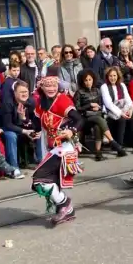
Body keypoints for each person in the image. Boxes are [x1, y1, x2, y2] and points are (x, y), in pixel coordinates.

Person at [31, 76, 84, 226]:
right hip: (52, 147)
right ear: (42, 88)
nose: (51, 89)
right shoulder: (40, 103)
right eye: (47, 86)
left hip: (65, 147)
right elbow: (37, 122)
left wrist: (71, 131)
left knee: (39, 179)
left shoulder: (62, 100)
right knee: (49, 182)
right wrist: (32, 132)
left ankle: (65, 204)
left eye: (53, 86)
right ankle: (65, 208)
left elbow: (79, 119)